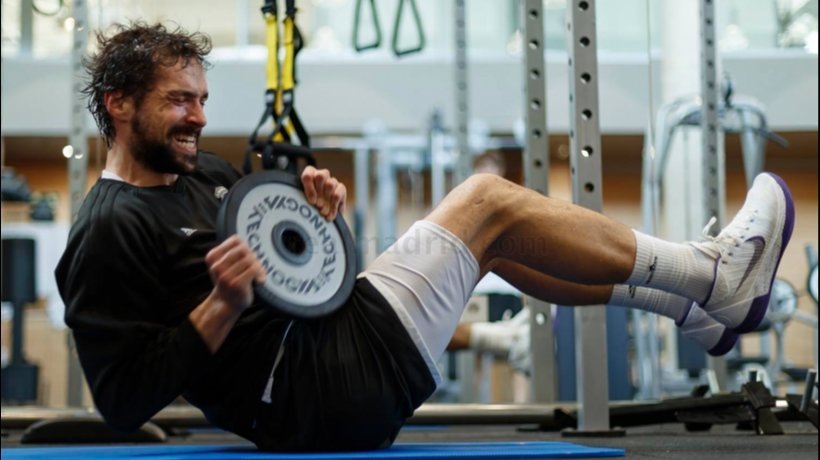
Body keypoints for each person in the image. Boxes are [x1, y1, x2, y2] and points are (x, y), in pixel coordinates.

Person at [55, 22, 795, 452]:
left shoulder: (205, 174)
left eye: (202, 100)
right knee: (487, 203)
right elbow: (122, 399)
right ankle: (712, 276)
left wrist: (321, 223)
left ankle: (695, 309)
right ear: (119, 105)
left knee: (497, 242)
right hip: (314, 394)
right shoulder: (104, 230)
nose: (197, 117)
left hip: (329, 340)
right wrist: (219, 304)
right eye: (178, 100)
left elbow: (298, 280)